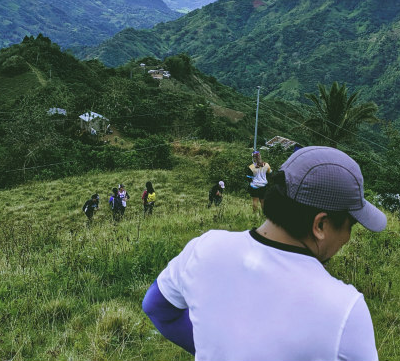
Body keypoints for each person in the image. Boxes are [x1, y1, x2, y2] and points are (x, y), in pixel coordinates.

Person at [142, 146, 386, 360]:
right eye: (350, 225)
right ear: (320, 225)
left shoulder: (205, 248)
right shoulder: (345, 309)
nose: (347, 238)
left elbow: (156, 306)